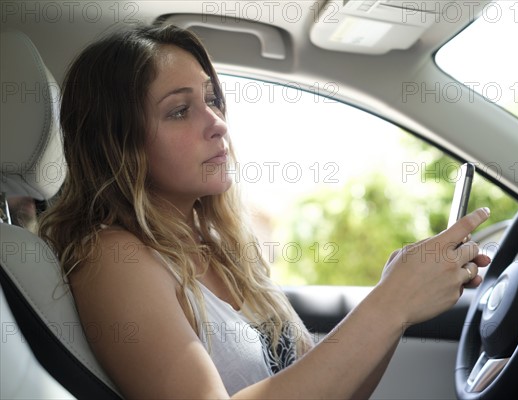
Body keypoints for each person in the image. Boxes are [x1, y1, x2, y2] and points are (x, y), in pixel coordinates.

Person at [39, 25, 491, 399]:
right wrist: (390, 303)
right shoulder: (112, 257)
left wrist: (400, 299)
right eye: (179, 110)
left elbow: (331, 390)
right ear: (117, 143)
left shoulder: (217, 246)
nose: (216, 123)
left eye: (213, 99)